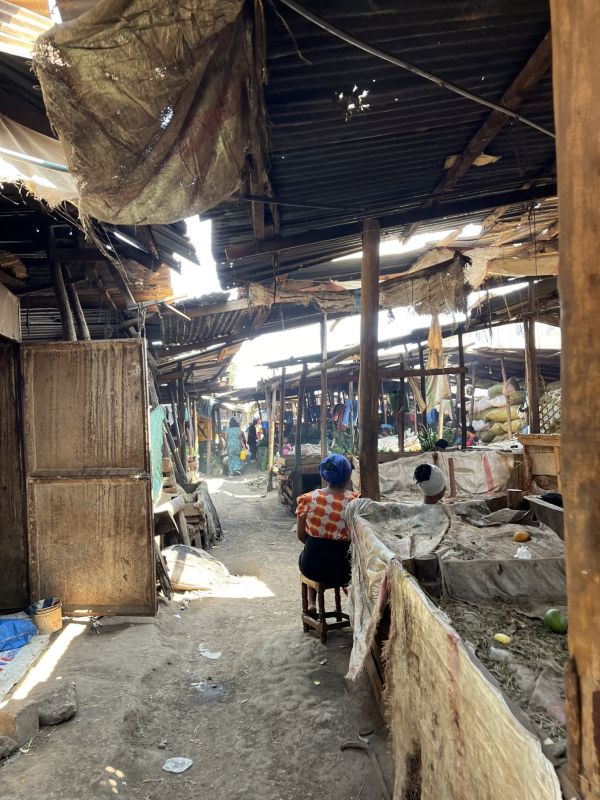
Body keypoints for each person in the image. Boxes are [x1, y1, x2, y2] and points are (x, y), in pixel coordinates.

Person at [296, 455, 359, 612]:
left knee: (311, 554)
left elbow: (301, 535)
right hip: (343, 569)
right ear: (347, 477)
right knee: (344, 563)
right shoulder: (355, 501)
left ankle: (312, 603)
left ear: (324, 475)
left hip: (312, 566)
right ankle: (352, 600)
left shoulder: (308, 499)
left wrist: (318, 543)